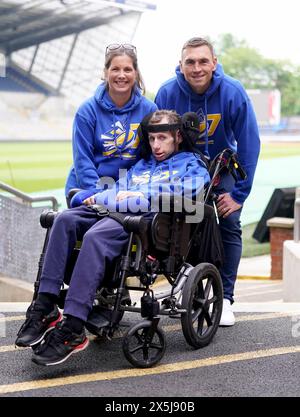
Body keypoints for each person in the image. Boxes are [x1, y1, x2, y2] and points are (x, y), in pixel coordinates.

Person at [15, 110, 210, 366]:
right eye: (152, 139)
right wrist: (97, 196)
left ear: (178, 137)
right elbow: (117, 191)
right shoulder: (142, 165)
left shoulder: (191, 164)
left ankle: (73, 327)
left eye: (162, 138)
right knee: (63, 220)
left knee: (96, 235)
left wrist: (142, 197)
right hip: (113, 210)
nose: (156, 145)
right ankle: (45, 304)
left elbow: (190, 189)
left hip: (146, 224)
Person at [155, 37, 260, 326]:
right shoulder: (166, 92)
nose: (197, 67)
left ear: (214, 62)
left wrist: (239, 194)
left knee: (228, 221)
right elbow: (157, 138)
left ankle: (224, 297)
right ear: (181, 65)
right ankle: (188, 287)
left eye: (203, 61)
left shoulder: (232, 92)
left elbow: (250, 143)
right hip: (183, 169)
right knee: (176, 222)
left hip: (221, 167)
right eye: (190, 62)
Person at [65, 43, 157, 206]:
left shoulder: (149, 110)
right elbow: (83, 160)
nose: (121, 75)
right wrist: (100, 197)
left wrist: (133, 191)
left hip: (128, 192)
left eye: (127, 69)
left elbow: (152, 157)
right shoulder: (87, 111)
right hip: (89, 191)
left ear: (135, 73)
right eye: (115, 69)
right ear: (105, 72)